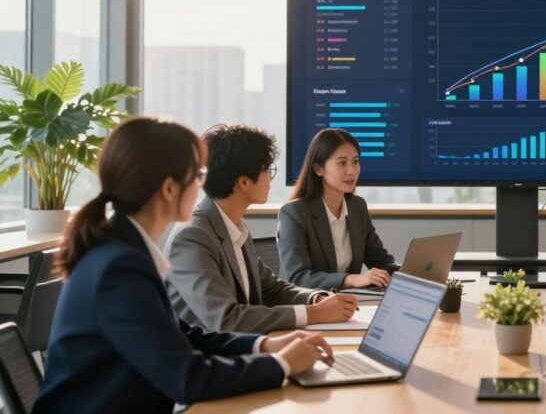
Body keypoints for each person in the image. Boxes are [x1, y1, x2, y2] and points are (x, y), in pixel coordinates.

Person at [36, 117, 333, 413]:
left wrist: (265, 347)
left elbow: (186, 336)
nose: (203, 184)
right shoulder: (119, 268)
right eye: (197, 175)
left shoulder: (126, 251)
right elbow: (187, 378)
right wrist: (281, 364)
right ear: (169, 189)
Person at [165, 124, 360, 333]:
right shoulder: (192, 236)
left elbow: (271, 289)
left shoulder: (233, 225)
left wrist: (317, 299)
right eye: (267, 170)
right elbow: (227, 319)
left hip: (246, 347)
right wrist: (316, 313)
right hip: (210, 359)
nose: (270, 178)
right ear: (244, 182)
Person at [278, 128, 399, 290]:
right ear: (318, 169)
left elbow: (381, 261)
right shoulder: (294, 213)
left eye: (355, 161)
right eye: (342, 163)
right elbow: (297, 278)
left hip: (349, 304)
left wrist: (414, 273)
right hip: (310, 306)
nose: (352, 171)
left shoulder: (357, 207)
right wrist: (351, 279)